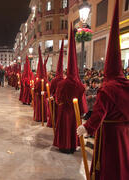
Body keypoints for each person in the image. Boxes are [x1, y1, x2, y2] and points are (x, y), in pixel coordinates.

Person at [77, 1, 129, 179]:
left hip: (110, 135)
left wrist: (86, 127)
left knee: (110, 165)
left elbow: (99, 113)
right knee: (123, 162)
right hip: (125, 133)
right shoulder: (125, 85)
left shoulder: (107, 88)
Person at [53, 25, 87, 154]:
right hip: (74, 112)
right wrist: (82, 110)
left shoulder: (61, 83)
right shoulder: (79, 85)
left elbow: (57, 98)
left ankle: (63, 146)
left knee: (64, 128)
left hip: (64, 111)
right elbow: (82, 102)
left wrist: (60, 103)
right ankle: (72, 145)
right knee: (73, 127)